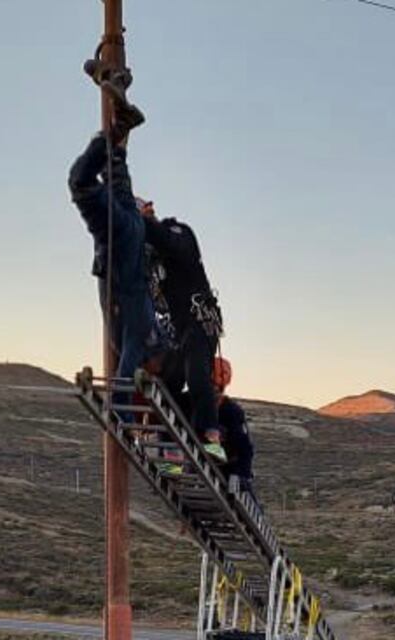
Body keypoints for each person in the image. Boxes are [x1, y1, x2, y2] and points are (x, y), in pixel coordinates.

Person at [68, 68, 158, 389]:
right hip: (120, 237)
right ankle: (117, 122)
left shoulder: (144, 326)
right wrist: (122, 413)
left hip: (126, 227)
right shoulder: (141, 334)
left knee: (115, 162)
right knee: (80, 182)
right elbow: (124, 377)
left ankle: (118, 112)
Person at [138, 200, 226, 461]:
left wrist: (144, 222)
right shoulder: (149, 260)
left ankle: (211, 438)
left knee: (197, 376)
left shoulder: (178, 232)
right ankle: (171, 451)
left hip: (199, 320)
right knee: (169, 385)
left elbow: (168, 241)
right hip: (176, 329)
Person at [212, 357, 257, 502]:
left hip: (227, 466)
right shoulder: (188, 404)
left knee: (246, 501)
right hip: (200, 461)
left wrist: (241, 475)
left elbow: (244, 448)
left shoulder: (231, 411)